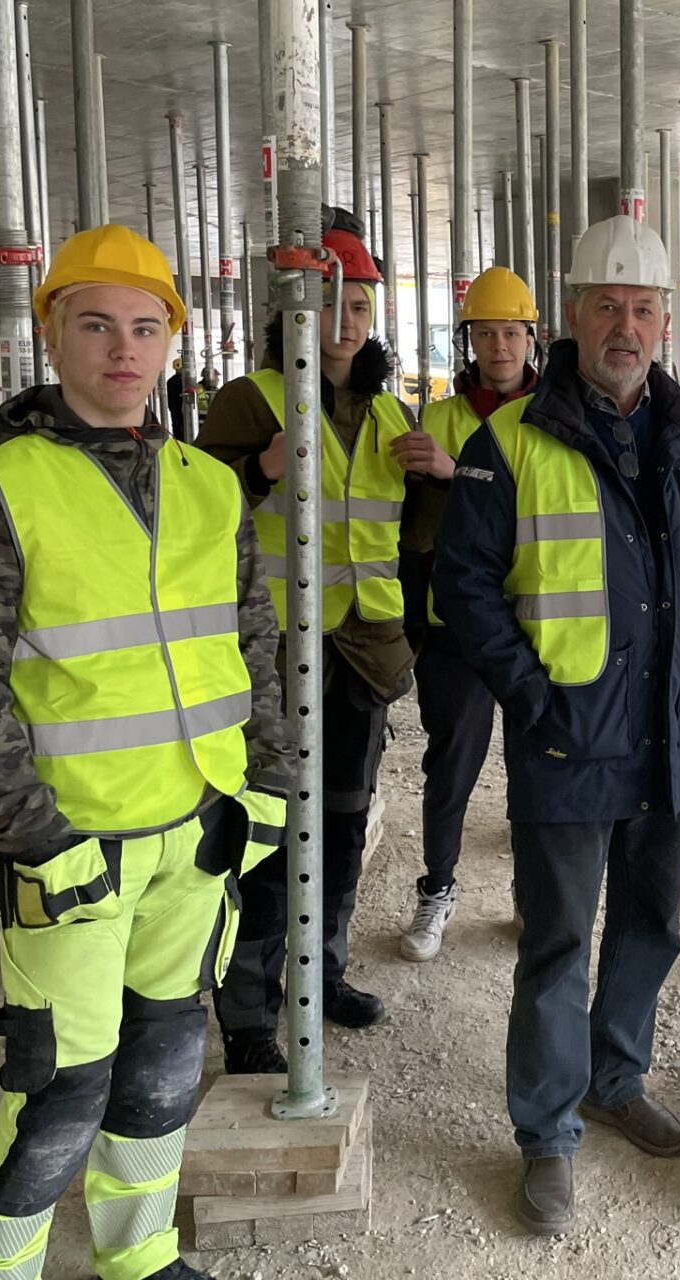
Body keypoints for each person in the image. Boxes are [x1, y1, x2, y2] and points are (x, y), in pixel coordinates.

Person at [0, 224, 293, 1280]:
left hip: (201, 833)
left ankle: (139, 1257)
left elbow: (251, 647)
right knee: (61, 1088)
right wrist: (34, 837)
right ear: (53, 337)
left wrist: (270, 784)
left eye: (144, 326)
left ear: (172, 341)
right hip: (74, 848)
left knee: (166, 1067)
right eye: (96, 325)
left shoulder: (211, 484)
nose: (123, 349)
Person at [434, 215, 680, 1236]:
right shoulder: (510, 441)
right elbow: (465, 585)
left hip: (676, 729)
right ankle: (547, 1133)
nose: (626, 326)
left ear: (666, 321)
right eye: (607, 306)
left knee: (650, 924)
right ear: (573, 315)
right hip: (568, 736)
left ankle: (614, 1078)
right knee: (559, 939)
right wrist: (532, 696)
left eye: (644, 309)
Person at [195, 217, 442, 1072]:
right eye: (331, 304)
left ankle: (322, 975)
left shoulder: (388, 413)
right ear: (296, 310)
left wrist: (439, 479)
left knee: (340, 826)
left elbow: (410, 535)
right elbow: (194, 517)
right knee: (268, 830)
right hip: (273, 658)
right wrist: (258, 467)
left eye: (362, 306)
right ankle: (249, 1015)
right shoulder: (250, 400)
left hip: (364, 653)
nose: (347, 321)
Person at [398, 266, 542, 961]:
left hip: (537, 620)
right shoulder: (439, 420)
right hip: (454, 623)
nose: (499, 346)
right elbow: (415, 531)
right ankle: (438, 888)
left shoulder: (553, 418)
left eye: (511, 332)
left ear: (531, 339)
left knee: (536, 764)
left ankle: (530, 893)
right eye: (485, 333)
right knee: (451, 763)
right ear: (470, 341)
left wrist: (456, 473)